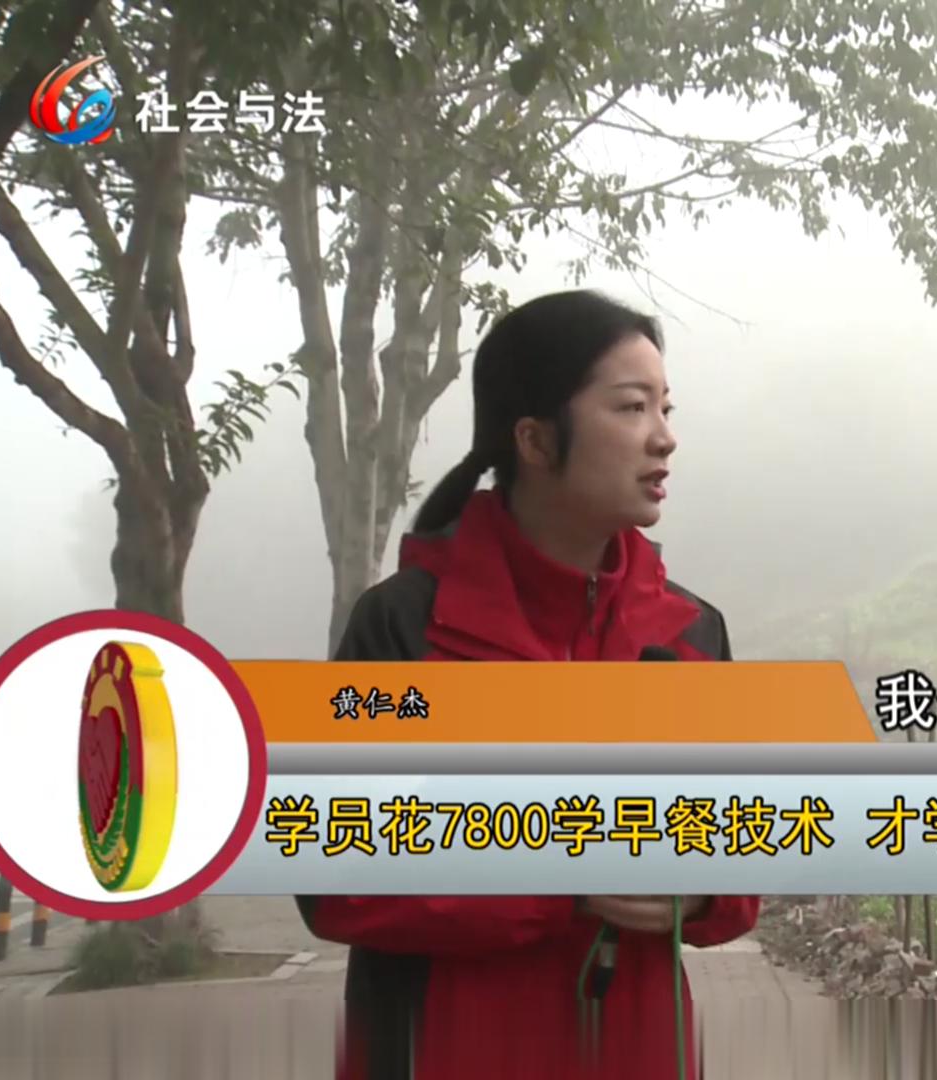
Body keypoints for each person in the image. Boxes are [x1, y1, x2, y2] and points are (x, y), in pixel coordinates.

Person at [296, 290, 759, 1080]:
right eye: (631, 407)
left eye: (666, 407)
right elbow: (334, 879)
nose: (664, 437)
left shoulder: (690, 634)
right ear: (535, 438)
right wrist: (564, 879)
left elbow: (741, 857)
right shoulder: (403, 630)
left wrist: (703, 890)